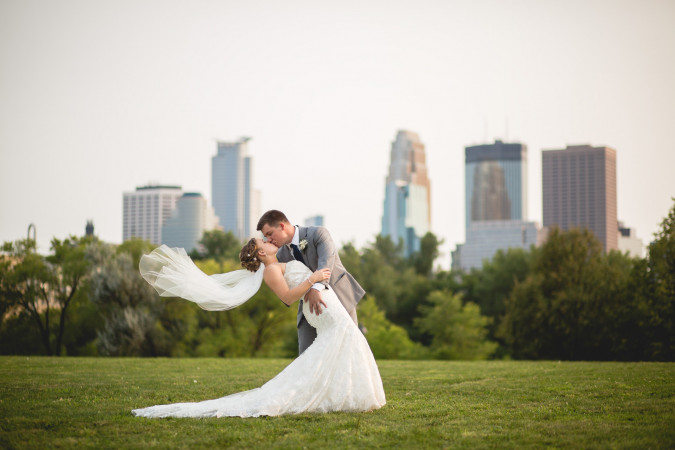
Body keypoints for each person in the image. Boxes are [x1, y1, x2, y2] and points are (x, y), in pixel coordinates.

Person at [131, 238, 385, 418]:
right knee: (345, 337)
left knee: (343, 342)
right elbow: (287, 297)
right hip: (321, 306)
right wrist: (313, 279)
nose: (266, 240)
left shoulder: (279, 261)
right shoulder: (271, 270)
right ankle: (352, 396)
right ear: (261, 253)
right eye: (262, 241)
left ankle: (348, 394)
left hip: (324, 302)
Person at [257, 210, 365, 354]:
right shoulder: (281, 254)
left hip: (338, 298)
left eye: (270, 234)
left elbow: (326, 263)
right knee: (306, 354)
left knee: (349, 347)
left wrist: (316, 288)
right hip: (309, 306)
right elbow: (287, 288)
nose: (269, 240)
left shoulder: (318, 233)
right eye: (265, 237)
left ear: (282, 226)